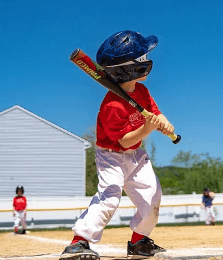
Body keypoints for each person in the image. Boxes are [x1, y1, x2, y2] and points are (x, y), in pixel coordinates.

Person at [60, 30, 174, 260]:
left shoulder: (141, 91)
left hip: (136, 156)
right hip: (111, 156)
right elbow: (124, 140)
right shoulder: (112, 105)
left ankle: (139, 241)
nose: (147, 61)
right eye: (141, 58)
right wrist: (148, 128)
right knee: (110, 197)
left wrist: (163, 122)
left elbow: (154, 112)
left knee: (153, 195)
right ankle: (78, 242)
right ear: (129, 69)